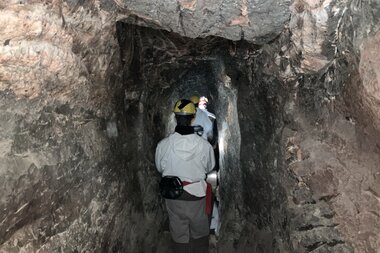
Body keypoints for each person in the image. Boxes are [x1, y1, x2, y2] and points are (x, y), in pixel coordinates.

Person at [155, 99, 215, 252]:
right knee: (200, 232)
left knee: (178, 233)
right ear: (192, 118)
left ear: (176, 117)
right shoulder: (204, 146)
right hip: (197, 196)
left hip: (173, 196)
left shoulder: (163, 145)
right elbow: (210, 167)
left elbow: (160, 168)